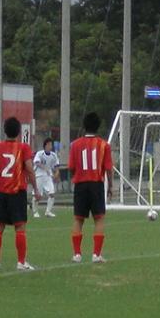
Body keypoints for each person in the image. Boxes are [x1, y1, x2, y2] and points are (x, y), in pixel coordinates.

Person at [0, 117, 36, 271]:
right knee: (20, 227)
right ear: (18, 132)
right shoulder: (24, 148)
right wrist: (35, 188)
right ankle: (21, 262)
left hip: (1, 192)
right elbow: (29, 168)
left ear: (5, 130)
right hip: (17, 192)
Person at [68, 112, 112, 263]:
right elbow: (108, 168)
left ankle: (77, 254)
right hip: (96, 184)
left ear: (84, 126)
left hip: (80, 184)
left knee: (78, 219)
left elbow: (71, 167)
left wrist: (77, 176)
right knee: (99, 219)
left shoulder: (75, 144)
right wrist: (110, 186)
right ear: (98, 127)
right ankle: (96, 254)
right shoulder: (104, 145)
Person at [33, 138, 61, 218]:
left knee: (52, 193)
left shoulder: (53, 155)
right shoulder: (40, 153)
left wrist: (57, 173)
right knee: (38, 195)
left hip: (48, 176)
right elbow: (37, 163)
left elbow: (56, 166)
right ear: (45, 146)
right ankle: (35, 212)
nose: (50, 146)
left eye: (51, 145)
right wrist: (45, 168)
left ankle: (48, 212)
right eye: (48, 144)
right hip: (39, 175)